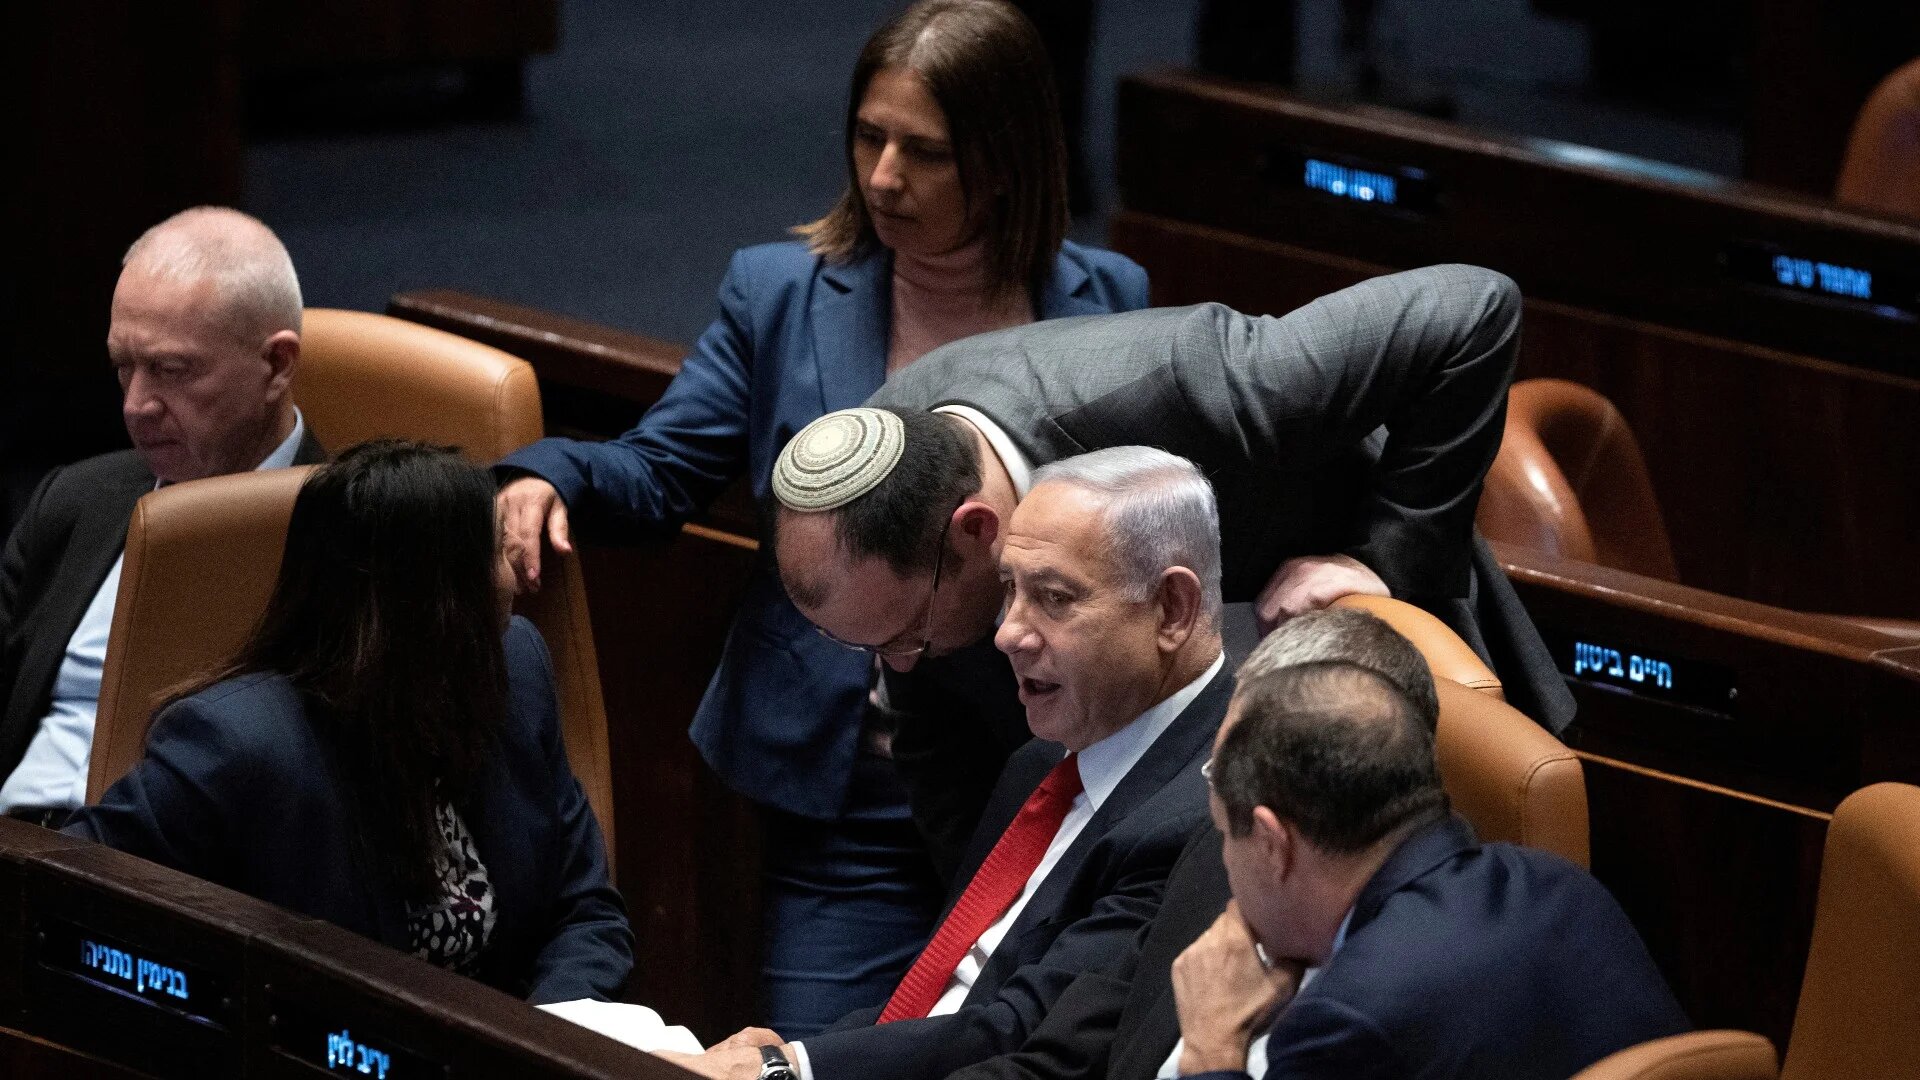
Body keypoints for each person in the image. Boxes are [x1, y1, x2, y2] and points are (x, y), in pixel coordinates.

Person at [493, 0, 1147, 1034]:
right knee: (820, 1057)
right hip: (853, 811)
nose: (884, 176)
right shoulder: (783, 293)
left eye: (924, 152)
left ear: (1010, 156)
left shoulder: (1106, 304)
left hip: (1047, 785)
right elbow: (663, 466)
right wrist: (545, 477)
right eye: (869, 136)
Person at [770, 263, 1572, 880]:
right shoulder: (890, 489)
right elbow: (939, 746)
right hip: (1161, 771)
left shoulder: (1194, 383)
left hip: (1382, 720)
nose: (897, 665)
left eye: (908, 634)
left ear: (977, 531)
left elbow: (1472, 308)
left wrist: (1381, 563)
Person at [673, 446, 1230, 1080]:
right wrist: (785, 1057)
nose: (1007, 633)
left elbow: (1023, 1033)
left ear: (1172, 611)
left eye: (1054, 598)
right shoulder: (1040, 761)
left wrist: (792, 1068)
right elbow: (949, 990)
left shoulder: (1201, 816)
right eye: (1008, 590)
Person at [67, 441, 632, 1005]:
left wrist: (547, 1036)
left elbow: (583, 910)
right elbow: (64, 900)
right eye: (493, 548)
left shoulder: (515, 668)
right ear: (436, 601)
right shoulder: (234, 747)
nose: (513, 566)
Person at [947, 606, 1442, 1080]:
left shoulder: (1390, 1005)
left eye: (1230, 775)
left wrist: (1212, 1053)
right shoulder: (1209, 862)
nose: (1216, 805)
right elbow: (1057, 1058)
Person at [1170, 661, 1687, 1079]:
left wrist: (1211, 1048)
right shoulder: (1562, 884)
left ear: (1271, 843)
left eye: (1223, 833)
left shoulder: (1347, 1022)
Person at [0, 206, 326, 829]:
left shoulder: (347, 538)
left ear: (277, 367)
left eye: (171, 371)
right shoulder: (76, 501)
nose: (135, 405)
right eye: (124, 365)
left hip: (175, 898)